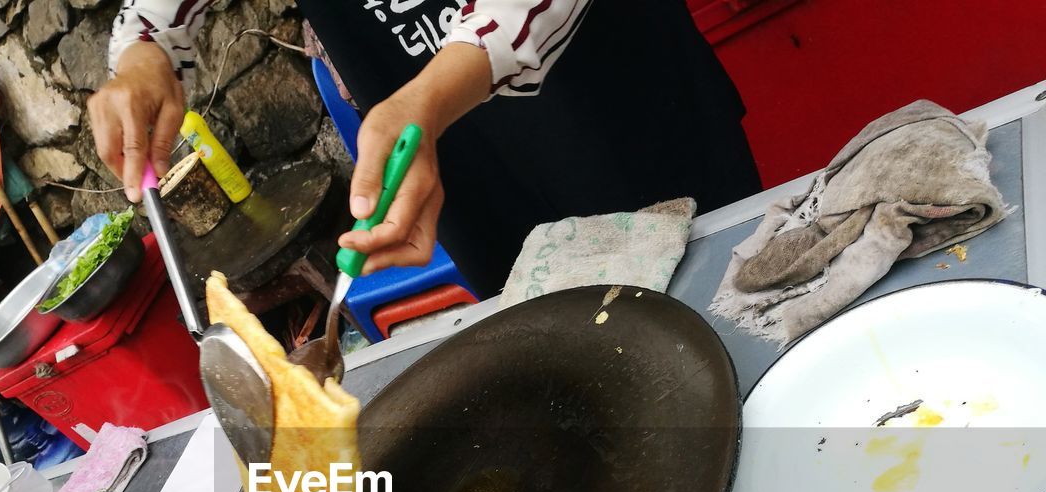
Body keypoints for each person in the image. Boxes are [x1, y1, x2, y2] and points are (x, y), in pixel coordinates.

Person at [90, 1, 761, 299]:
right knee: (572, 339)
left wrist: (431, 97)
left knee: (722, 305)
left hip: (612, 100)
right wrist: (145, 46)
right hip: (462, 148)